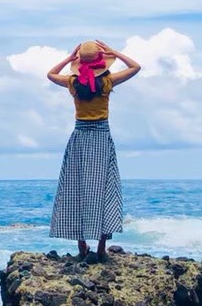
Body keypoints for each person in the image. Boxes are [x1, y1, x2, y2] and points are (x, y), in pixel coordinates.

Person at [45, 39, 141, 260]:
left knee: (76, 189)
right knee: (104, 190)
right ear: (102, 62)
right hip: (101, 136)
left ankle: (81, 247)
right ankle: (100, 249)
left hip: (79, 137)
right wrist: (114, 51)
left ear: (79, 63)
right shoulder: (108, 82)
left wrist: (69, 58)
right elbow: (136, 67)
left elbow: (50, 74)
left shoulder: (72, 83)